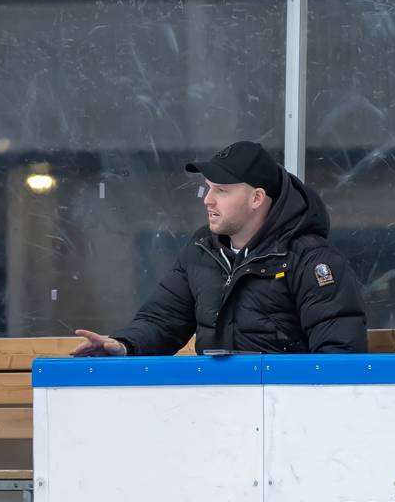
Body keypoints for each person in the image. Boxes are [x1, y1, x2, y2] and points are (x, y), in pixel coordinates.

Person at [72, 141, 367, 358]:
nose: (208, 200)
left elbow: (338, 357)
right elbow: (161, 321)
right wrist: (123, 345)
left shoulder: (312, 260)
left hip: (284, 418)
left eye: (222, 191)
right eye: (208, 188)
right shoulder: (201, 251)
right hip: (213, 410)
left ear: (256, 198)